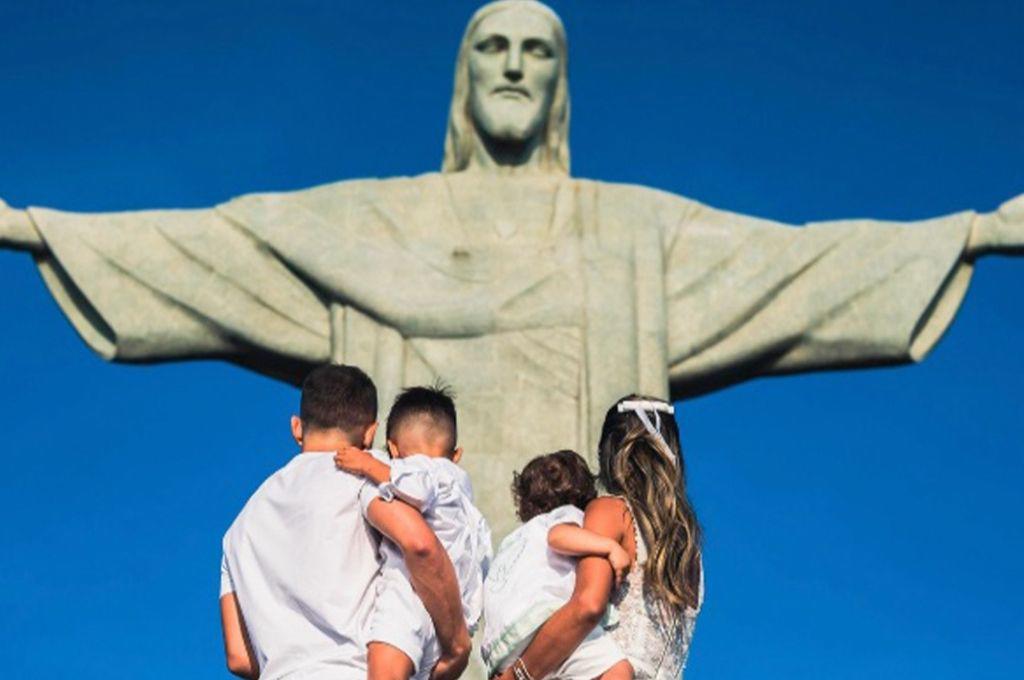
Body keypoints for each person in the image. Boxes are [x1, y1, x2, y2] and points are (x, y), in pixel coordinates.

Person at [219, 366, 471, 680]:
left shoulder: (239, 529)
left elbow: (239, 658)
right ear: (370, 432)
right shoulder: (371, 474)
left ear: (297, 428)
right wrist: (457, 642)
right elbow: (420, 545)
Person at [496, 397, 704, 680]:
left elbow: (588, 604)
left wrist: (519, 674)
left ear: (609, 453)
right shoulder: (690, 551)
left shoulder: (610, 511)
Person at [334, 385, 492, 680]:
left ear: (393, 449)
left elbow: (415, 487)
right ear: (456, 454)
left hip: (410, 595)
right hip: (451, 616)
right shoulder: (463, 493)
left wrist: (368, 463)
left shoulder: (420, 469)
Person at [482, 450, 633, 680]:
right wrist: (609, 547)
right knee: (619, 671)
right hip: (544, 623)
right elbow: (558, 536)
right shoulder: (564, 516)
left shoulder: (514, 541)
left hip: (505, 644)